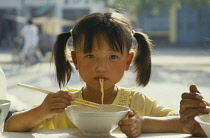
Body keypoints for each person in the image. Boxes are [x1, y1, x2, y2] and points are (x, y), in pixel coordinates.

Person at [5, 12, 185, 137]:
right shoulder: (64, 105)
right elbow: (10, 126)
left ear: (128, 61)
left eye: (113, 56)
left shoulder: (137, 103)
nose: (101, 67)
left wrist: (142, 123)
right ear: (75, 60)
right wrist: (42, 110)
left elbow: (182, 123)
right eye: (90, 56)